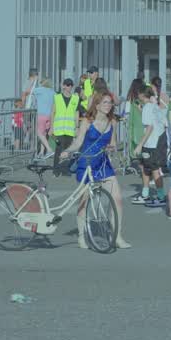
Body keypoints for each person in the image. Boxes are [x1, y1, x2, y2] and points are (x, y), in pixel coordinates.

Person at [60, 93, 131, 249]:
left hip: (103, 164)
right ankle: (81, 236)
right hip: (87, 164)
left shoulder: (112, 121)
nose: (108, 105)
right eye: (105, 102)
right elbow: (78, 142)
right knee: (84, 202)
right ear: (97, 105)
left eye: (110, 103)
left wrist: (111, 148)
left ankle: (117, 237)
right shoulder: (87, 121)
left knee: (117, 199)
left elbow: (113, 143)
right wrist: (67, 151)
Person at [131, 86, 168, 208]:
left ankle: (161, 197)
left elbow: (149, 127)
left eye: (138, 94)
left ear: (142, 95)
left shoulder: (148, 107)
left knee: (154, 169)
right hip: (158, 141)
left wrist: (139, 145)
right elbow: (161, 122)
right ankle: (145, 194)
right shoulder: (153, 106)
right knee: (145, 168)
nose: (137, 96)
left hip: (152, 143)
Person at [51, 79, 84, 174]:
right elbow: (53, 112)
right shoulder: (57, 97)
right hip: (59, 129)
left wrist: (77, 127)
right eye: (67, 85)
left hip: (70, 129)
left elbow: (76, 113)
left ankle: (65, 169)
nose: (69, 87)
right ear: (63, 86)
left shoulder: (75, 98)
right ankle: (56, 169)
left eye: (70, 85)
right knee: (59, 149)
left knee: (68, 150)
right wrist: (51, 127)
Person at [29, 77, 55, 160]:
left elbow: (29, 91)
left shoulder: (39, 90)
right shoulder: (53, 92)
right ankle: (41, 152)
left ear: (43, 83)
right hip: (50, 115)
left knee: (39, 133)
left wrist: (32, 83)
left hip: (41, 114)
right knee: (44, 134)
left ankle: (49, 149)